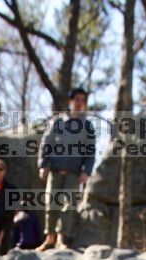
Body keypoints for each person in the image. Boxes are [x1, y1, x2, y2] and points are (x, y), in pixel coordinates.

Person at [36, 88, 96, 251]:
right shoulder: (57, 122)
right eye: (77, 99)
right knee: (51, 203)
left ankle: (61, 239)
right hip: (55, 170)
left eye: (82, 100)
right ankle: (49, 238)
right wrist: (43, 164)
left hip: (74, 172)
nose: (79, 103)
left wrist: (86, 171)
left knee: (68, 206)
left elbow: (90, 152)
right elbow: (46, 144)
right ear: (70, 101)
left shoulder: (87, 126)